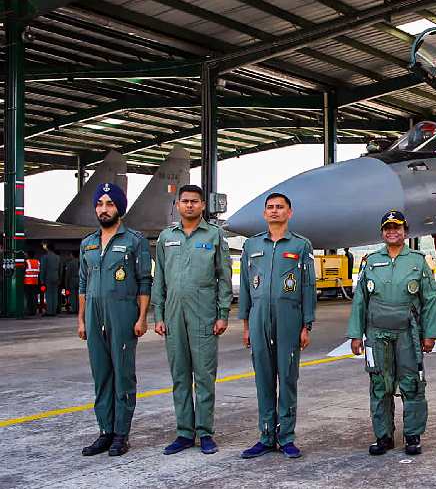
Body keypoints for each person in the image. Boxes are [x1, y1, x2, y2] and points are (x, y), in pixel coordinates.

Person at [347, 210, 436, 456]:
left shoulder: (418, 261)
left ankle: (412, 435)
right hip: (377, 334)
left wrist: (429, 334)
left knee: (412, 385)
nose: (392, 231)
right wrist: (356, 334)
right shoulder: (370, 261)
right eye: (387, 228)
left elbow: (430, 300)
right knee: (380, 385)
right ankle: (383, 436)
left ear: (405, 231)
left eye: (397, 227)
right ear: (382, 232)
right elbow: (360, 300)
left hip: (408, 336)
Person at [152, 185, 232, 456]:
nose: (189, 205)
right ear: (177, 204)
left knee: (205, 376)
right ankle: (184, 432)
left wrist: (223, 314)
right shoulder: (166, 238)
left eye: (194, 202)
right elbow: (159, 278)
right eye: (184, 201)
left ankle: (205, 432)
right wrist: (159, 314)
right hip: (173, 315)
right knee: (180, 376)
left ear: (202, 206)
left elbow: (224, 277)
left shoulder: (215, 235)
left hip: (204, 315)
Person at [238, 193, 316, 459]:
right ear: (264, 214)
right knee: (263, 380)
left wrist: (307, 324)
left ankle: (287, 437)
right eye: (270, 208)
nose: (274, 211)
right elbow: (246, 287)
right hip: (259, 318)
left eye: (279, 207)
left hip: (289, 319)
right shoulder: (251, 245)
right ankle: (266, 435)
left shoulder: (301, 245)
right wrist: (246, 325)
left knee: (288, 379)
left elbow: (307, 287)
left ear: (289, 213)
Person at [78, 182, 151, 457]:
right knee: (101, 375)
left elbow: (145, 281)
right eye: (100, 204)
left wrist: (142, 318)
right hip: (94, 316)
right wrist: (81, 320)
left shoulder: (135, 241)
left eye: (109, 204)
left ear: (119, 207)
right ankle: (105, 432)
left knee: (123, 375)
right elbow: (83, 284)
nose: (104, 209)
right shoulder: (88, 243)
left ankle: (122, 433)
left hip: (123, 314)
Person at [39, 242, 62, 316]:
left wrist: (42, 280)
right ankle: (54, 311)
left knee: (48, 294)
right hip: (56, 277)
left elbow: (43, 269)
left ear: (47, 248)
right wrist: (59, 278)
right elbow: (60, 269)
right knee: (55, 294)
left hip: (48, 277)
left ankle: (49, 311)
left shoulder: (45, 257)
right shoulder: (58, 257)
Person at [24, 250, 40, 316]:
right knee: (34, 297)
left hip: (27, 282)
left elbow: (23, 271)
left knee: (28, 297)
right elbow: (39, 271)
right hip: (35, 282)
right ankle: (34, 311)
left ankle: (29, 311)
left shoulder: (26, 262)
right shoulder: (37, 262)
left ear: (28, 255)